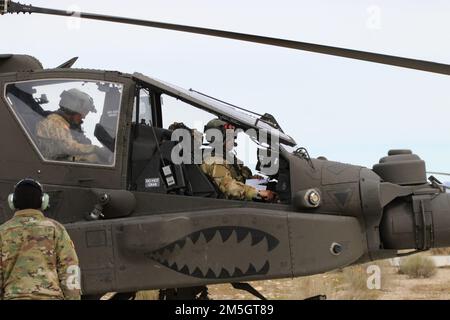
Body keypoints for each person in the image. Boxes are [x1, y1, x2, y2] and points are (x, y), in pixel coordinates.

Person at [0, 178, 81, 300]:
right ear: (43, 201)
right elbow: (69, 268)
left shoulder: (2, 232)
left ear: (13, 202)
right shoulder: (56, 229)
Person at [200, 119, 275, 202]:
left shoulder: (227, 157)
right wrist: (257, 193)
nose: (234, 138)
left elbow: (238, 178)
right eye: (230, 136)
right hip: (230, 206)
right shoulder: (213, 160)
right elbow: (229, 187)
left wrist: (252, 179)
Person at [36, 88, 104, 163]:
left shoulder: (67, 123)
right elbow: (68, 147)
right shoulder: (55, 122)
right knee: (93, 159)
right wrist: (94, 149)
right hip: (52, 162)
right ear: (73, 109)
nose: (84, 117)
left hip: (60, 159)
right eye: (83, 113)